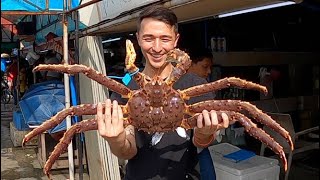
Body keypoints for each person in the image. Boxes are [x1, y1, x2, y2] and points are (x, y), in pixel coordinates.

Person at [97, 6, 230, 180]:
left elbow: (200, 143)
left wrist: (205, 133)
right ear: (138, 39)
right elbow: (127, 151)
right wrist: (116, 140)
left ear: (176, 40)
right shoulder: (126, 89)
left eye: (165, 38)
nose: (157, 48)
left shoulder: (194, 85)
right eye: (148, 38)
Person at [188, 50, 216, 180]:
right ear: (190, 64)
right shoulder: (199, 83)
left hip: (198, 144)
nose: (209, 71)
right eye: (205, 67)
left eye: (210, 67)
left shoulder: (203, 85)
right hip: (192, 150)